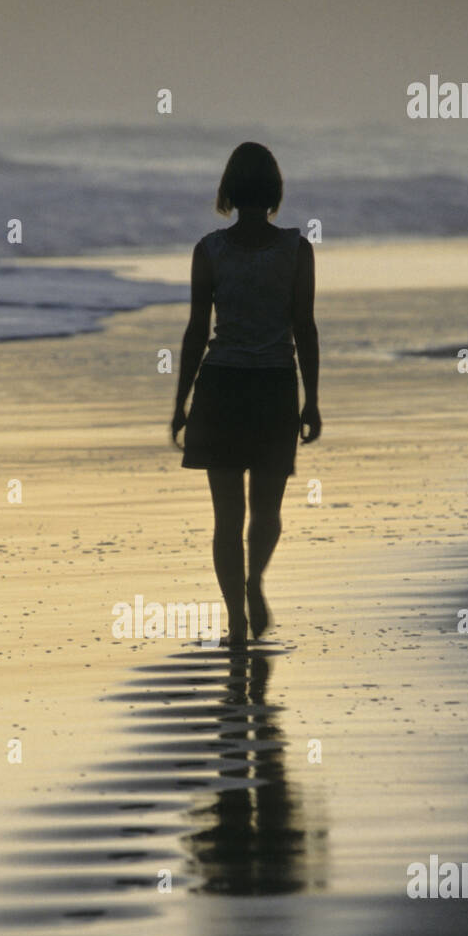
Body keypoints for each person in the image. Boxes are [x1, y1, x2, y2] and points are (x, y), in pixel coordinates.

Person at [171, 141, 321, 647]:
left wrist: (181, 402)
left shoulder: (208, 251)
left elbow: (196, 331)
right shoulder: (297, 251)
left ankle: (235, 619)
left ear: (229, 191)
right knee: (268, 512)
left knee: (225, 519)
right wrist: (313, 399)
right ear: (275, 191)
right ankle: (255, 581)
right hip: (276, 387)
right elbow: (305, 327)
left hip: (221, 388)